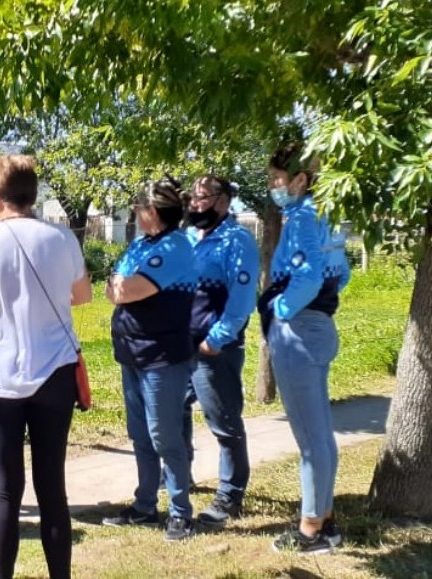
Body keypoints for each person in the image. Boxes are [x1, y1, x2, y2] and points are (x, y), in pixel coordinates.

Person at [0, 155, 92, 578]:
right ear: (33, 196)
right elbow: (82, 296)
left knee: (5, 492)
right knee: (53, 488)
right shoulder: (61, 238)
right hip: (53, 371)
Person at [259, 142, 351, 554]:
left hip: (297, 331)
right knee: (320, 434)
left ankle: (311, 530)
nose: (273, 186)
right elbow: (341, 273)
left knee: (311, 440)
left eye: (277, 179)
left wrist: (280, 308)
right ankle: (325, 518)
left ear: (300, 180)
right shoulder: (327, 215)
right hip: (321, 326)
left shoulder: (301, 217)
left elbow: (309, 279)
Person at [101, 177, 197, 541]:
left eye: (139, 208)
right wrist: (118, 285)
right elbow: (114, 288)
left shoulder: (175, 247)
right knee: (140, 433)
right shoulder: (141, 244)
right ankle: (144, 506)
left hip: (162, 357)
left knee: (165, 435)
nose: (135, 214)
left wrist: (118, 284)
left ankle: (180, 512)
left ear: (152, 212)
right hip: (133, 353)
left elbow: (125, 289)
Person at [183, 175, 259, 529]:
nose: (195, 203)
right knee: (176, 412)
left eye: (203, 198)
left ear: (223, 202)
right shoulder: (186, 237)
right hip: (180, 347)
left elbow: (242, 300)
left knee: (224, 423)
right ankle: (182, 476)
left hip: (213, 351)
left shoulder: (237, 240)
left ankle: (230, 495)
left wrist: (217, 339)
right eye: (192, 197)